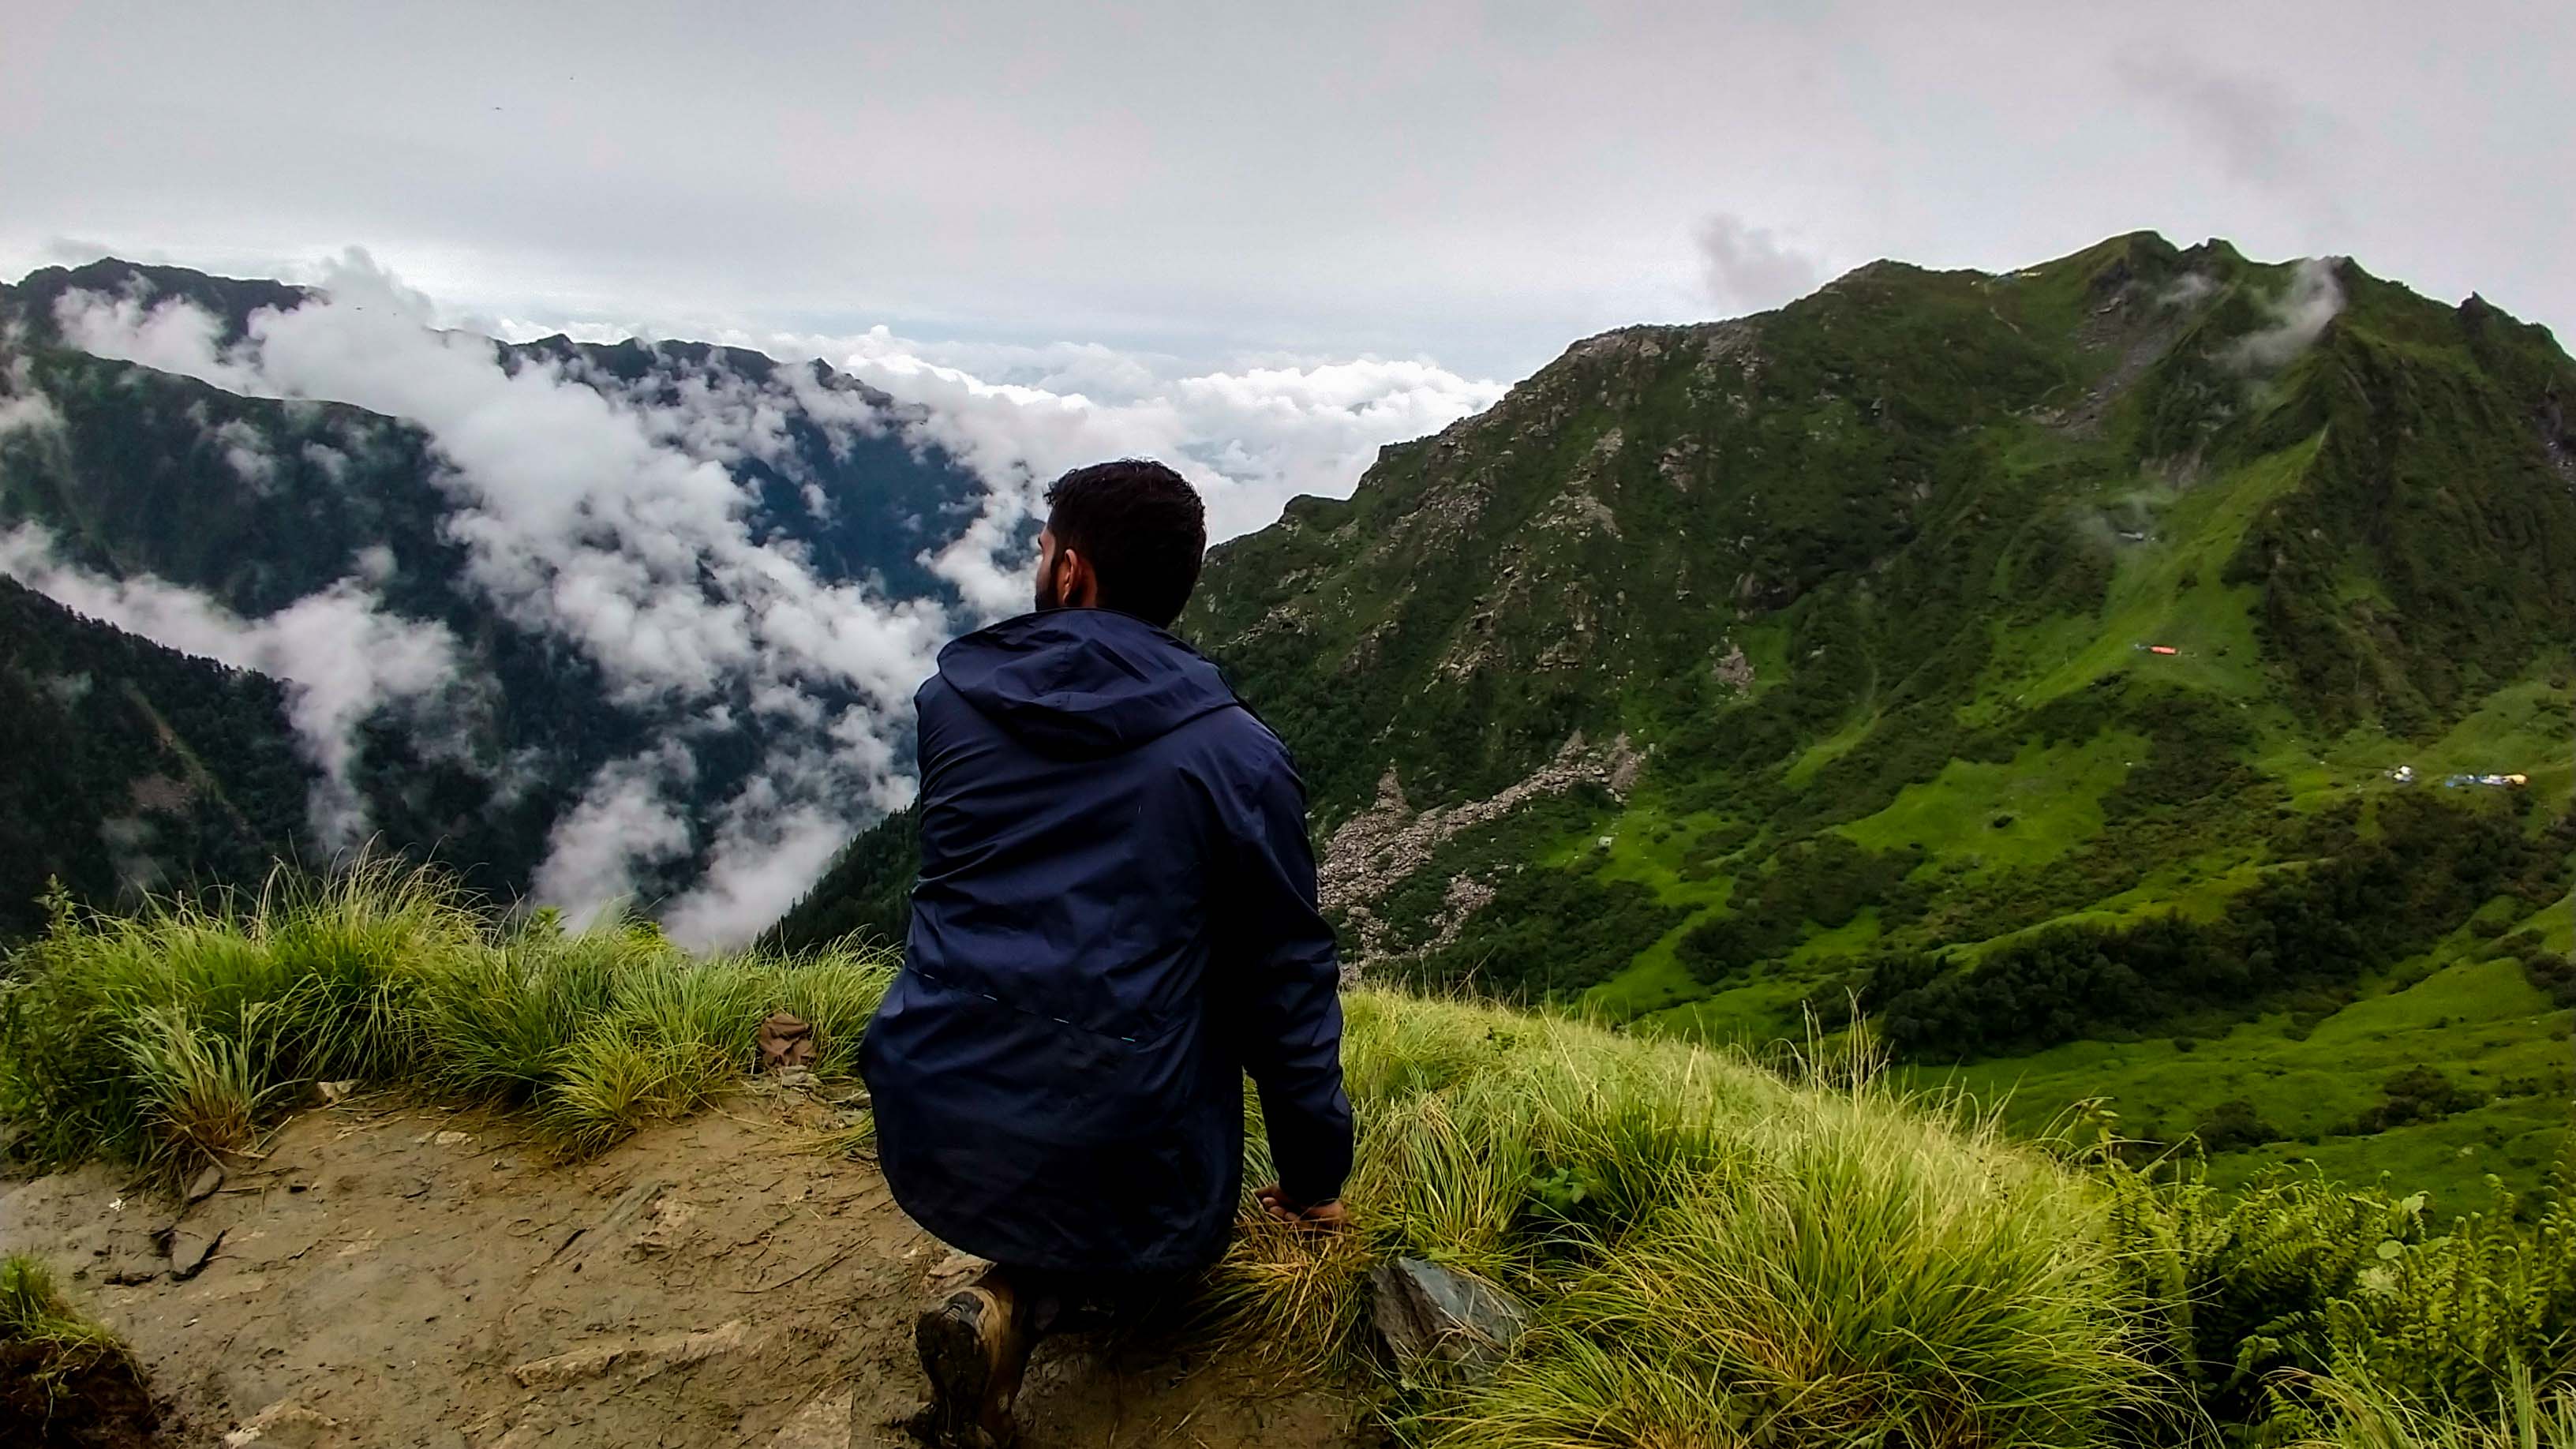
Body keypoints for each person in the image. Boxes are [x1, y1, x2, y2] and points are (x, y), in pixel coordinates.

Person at [859, 459, 1354, 1447]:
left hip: (930, 1106)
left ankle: (1010, 1290)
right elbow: (1284, 986)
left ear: (1071, 572)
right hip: (1128, 1148)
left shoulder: (950, 706)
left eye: (1043, 549)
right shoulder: (1239, 757)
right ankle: (1031, 1301)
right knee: (1168, 1231)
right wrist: (1312, 1179)